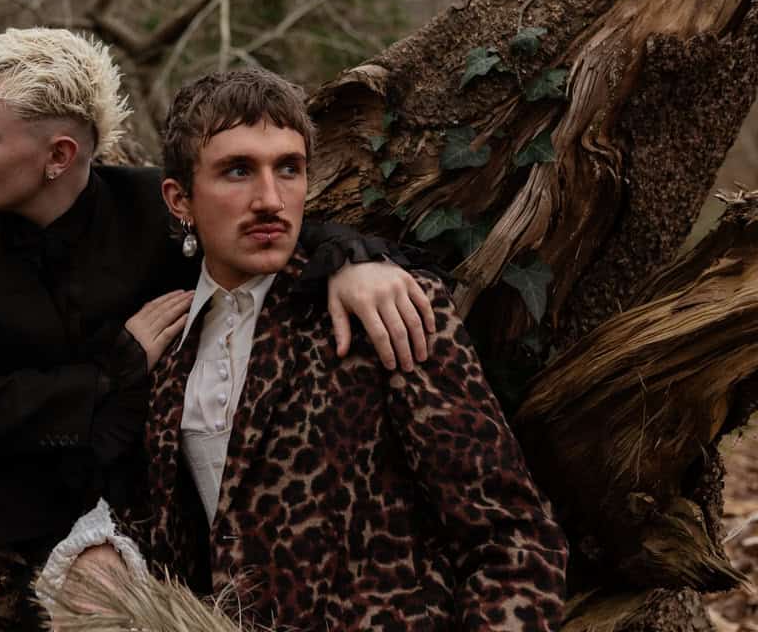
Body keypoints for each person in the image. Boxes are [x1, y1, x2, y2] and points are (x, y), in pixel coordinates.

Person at [0, 29, 439, 632]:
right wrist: (114, 367)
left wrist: (354, 261)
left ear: (59, 155)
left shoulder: (156, 208)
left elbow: (271, 225)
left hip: (149, 493)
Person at [43, 68, 569, 631]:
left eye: (288, 169)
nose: (270, 200)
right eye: (238, 170)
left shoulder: (385, 310)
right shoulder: (173, 353)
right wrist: (104, 555)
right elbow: (188, 541)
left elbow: (512, 537)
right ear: (180, 200)